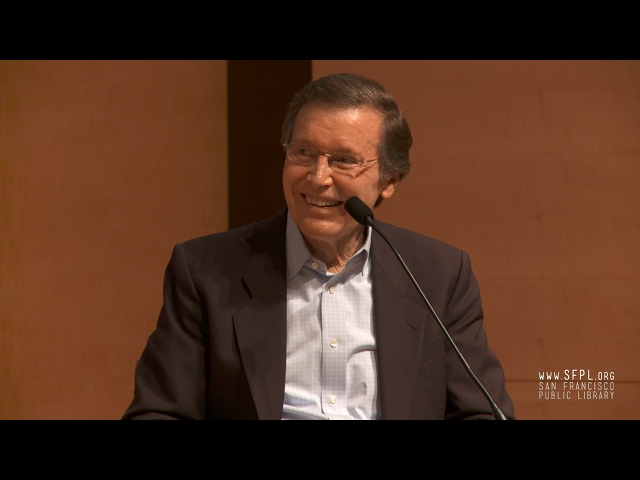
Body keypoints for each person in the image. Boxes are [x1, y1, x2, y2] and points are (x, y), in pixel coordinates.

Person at [123, 73, 515, 420]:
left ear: (389, 179)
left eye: (344, 160)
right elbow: (159, 411)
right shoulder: (205, 270)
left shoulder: (438, 274)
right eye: (304, 153)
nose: (318, 177)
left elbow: (481, 412)